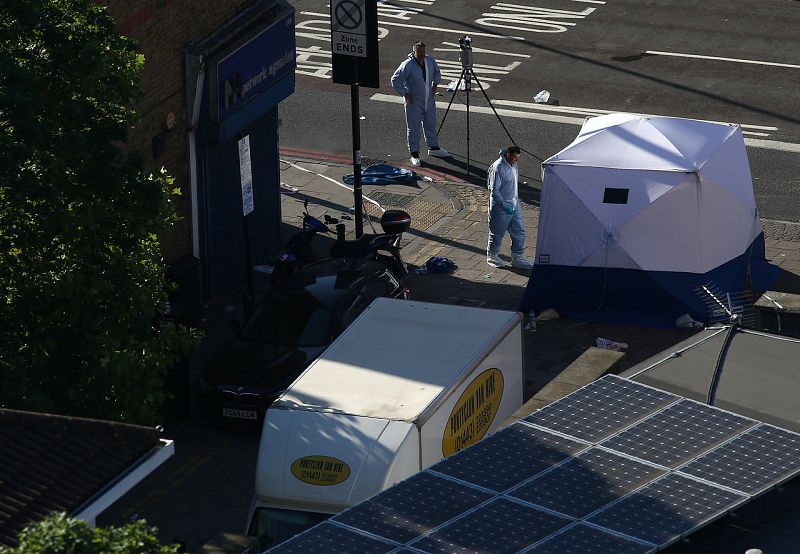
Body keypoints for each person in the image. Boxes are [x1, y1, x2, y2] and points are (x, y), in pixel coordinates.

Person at [390, 41, 450, 167]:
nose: (422, 54)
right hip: (414, 101)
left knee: (430, 123)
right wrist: (405, 93)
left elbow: (437, 73)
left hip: (429, 99)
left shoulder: (430, 60)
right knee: (413, 128)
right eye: (419, 51)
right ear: (414, 51)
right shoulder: (407, 65)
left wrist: (435, 84)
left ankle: (433, 147)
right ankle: (414, 153)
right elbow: (395, 80)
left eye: (423, 51)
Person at [486, 145, 533, 269]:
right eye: (514, 158)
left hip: (514, 203)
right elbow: (494, 190)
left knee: (519, 231)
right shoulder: (498, 168)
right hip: (501, 208)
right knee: (497, 232)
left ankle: (518, 257)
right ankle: (492, 256)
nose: (516, 160)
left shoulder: (513, 164)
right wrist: (504, 205)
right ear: (508, 155)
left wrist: (515, 200)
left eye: (518, 158)